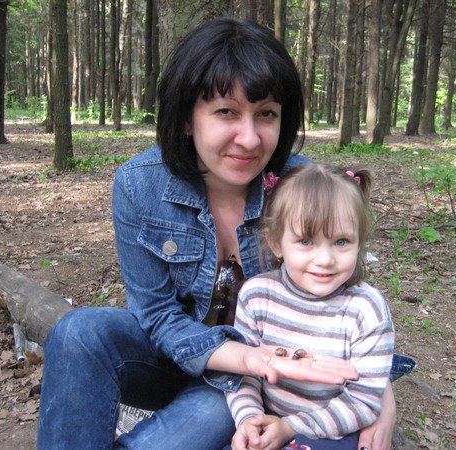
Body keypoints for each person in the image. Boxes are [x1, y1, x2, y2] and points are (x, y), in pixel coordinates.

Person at [37, 16, 403, 450]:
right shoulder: (139, 185)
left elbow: (347, 290)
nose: (249, 139)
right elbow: (155, 314)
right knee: (79, 331)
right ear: (187, 118)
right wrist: (245, 355)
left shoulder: (303, 187)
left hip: (251, 385)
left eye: (266, 114)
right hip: (175, 355)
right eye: (226, 112)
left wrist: (380, 393)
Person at [224, 164, 395, 450]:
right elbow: (244, 371)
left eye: (341, 241)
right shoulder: (257, 296)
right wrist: (250, 420)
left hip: (334, 429)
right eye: (306, 241)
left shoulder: (366, 309)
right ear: (276, 242)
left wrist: (290, 428)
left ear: (359, 242)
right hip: (269, 418)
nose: (325, 259)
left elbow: (364, 401)